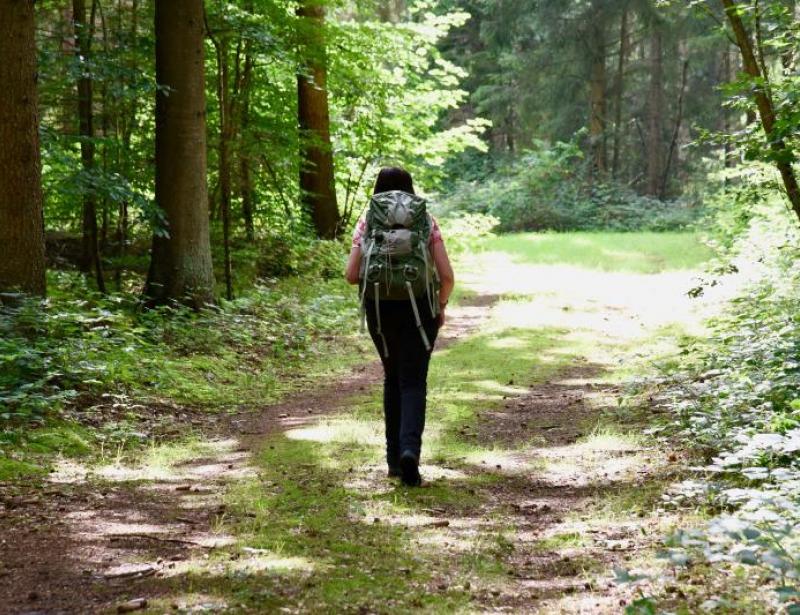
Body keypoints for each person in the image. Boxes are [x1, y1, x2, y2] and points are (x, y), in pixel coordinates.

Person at [345, 167, 455, 486]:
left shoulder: (367, 220)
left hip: (380, 311)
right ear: (411, 190)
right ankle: (410, 452)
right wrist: (441, 305)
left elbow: (352, 274)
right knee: (413, 381)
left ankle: (393, 461)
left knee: (392, 377)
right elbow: (447, 276)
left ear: (378, 190)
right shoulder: (425, 220)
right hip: (420, 309)